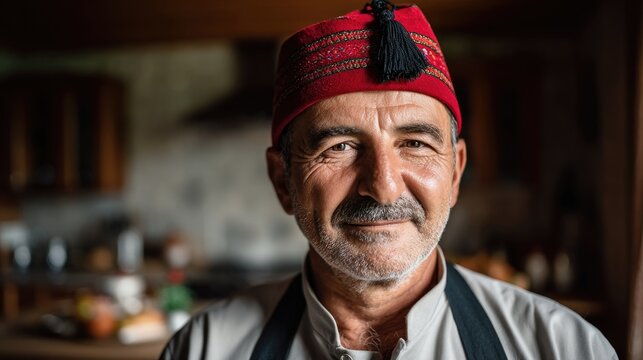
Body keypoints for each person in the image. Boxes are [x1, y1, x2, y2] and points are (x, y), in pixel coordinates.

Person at [160, 1, 617, 359]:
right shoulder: (204, 350)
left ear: (455, 171)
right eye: (339, 147)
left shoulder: (563, 348)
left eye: (415, 143)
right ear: (283, 180)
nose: (383, 187)